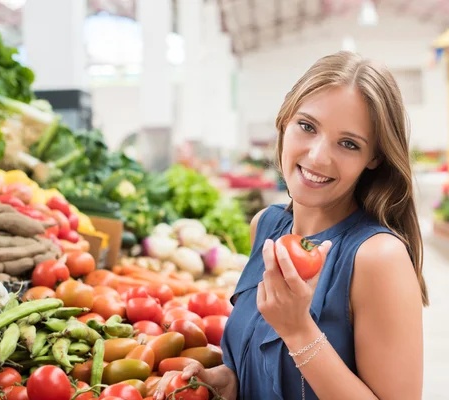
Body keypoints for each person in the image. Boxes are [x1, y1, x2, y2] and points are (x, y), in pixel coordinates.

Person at [166, 51, 428, 400]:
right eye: (307, 126)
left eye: (349, 144)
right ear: (284, 121)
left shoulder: (378, 257)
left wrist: (299, 331)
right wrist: (234, 380)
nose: (318, 156)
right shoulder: (266, 226)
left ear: (374, 158)